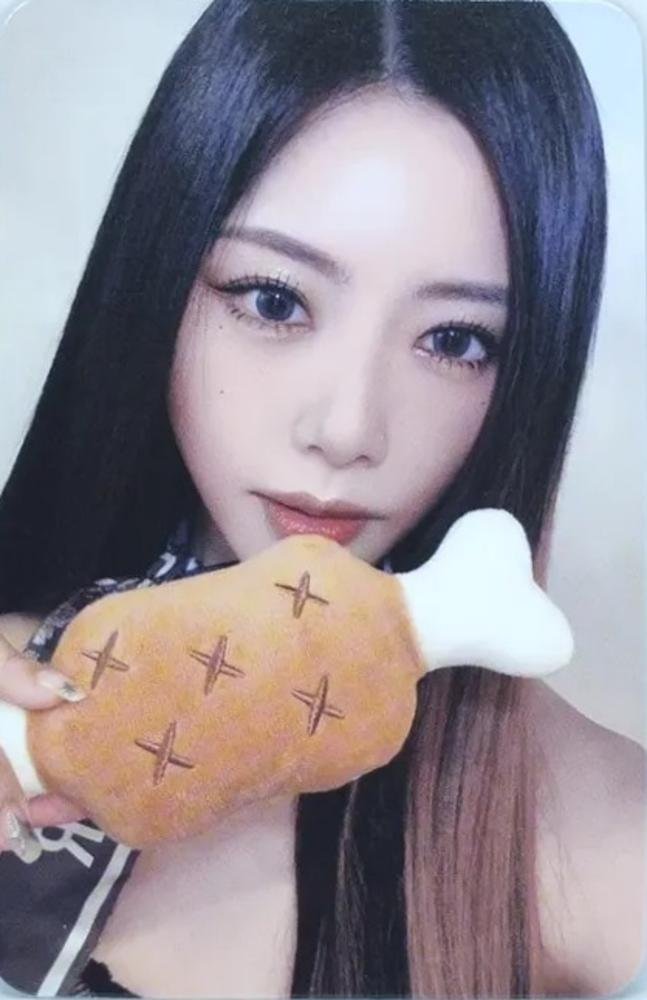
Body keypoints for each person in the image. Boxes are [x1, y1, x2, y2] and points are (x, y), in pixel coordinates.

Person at [0, 0, 644, 997]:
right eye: (273, 299)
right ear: (157, 278)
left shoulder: (600, 841)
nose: (348, 429)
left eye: (454, 340)